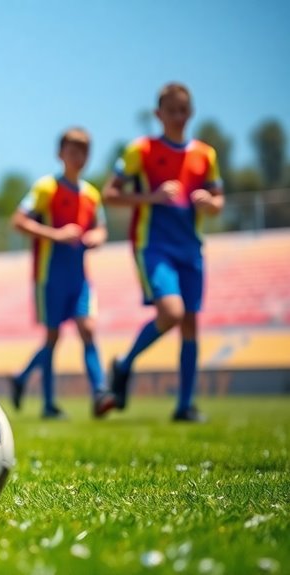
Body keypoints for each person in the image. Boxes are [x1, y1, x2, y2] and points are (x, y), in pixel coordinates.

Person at [103, 83, 224, 423]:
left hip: (191, 247)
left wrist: (210, 203)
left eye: (183, 110)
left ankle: (184, 406)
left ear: (191, 112)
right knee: (171, 311)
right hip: (153, 245)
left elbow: (219, 200)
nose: (178, 116)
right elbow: (110, 194)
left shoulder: (205, 154)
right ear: (159, 114)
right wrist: (151, 197)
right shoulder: (140, 150)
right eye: (171, 110)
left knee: (190, 323)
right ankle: (126, 365)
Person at [9, 128, 116, 420]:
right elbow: (18, 221)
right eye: (72, 150)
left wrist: (98, 236)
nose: (78, 156)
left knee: (88, 330)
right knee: (53, 337)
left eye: (83, 151)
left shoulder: (92, 195)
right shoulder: (46, 188)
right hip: (49, 276)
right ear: (60, 154)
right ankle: (45, 402)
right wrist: (55, 235)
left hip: (79, 277)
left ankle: (100, 392)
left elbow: (101, 227)